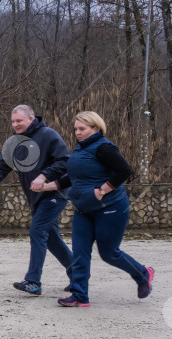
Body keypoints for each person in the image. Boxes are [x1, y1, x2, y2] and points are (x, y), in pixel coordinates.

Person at [34, 111, 154, 307]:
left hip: (111, 208)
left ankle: (143, 274)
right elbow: (71, 178)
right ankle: (80, 296)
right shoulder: (80, 150)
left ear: (95, 128)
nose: (78, 133)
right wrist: (46, 186)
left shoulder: (103, 148)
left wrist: (103, 190)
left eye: (82, 129)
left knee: (109, 253)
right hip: (84, 209)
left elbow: (124, 170)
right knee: (80, 252)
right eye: (76, 129)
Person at [0, 105, 73, 296]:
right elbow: (2, 166)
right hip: (36, 197)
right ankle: (78, 273)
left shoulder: (48, 135)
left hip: (55, 194)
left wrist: (44, 176)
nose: (15, 124)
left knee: (37, 230)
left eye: (19, 121)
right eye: (13, 121)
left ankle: (33, 281)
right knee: (52, 240)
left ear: (31, 119)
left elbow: (65, 161)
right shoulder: (14, 142)